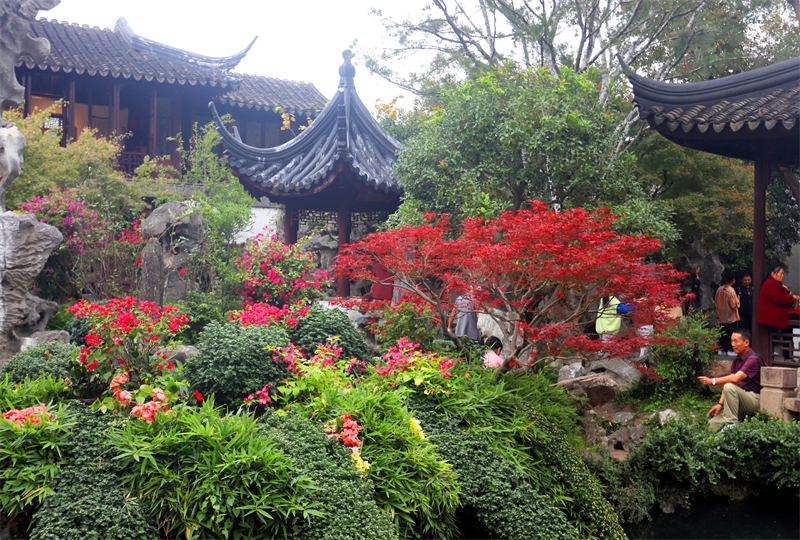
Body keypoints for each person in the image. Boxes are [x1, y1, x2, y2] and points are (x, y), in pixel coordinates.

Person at [698, 329, 763, 432]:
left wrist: (713, 381)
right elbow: (731, 381)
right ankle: (724, 430)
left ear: (746, 342)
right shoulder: (737, 358)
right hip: (739, 399)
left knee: (729, 387)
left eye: (736, 341)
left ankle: (731, 424)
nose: (733, 344)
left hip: (755, 399)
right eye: (731, 341)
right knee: (712, 425)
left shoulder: (754, 359)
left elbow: (735, 378)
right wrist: (720, 404)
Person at [757, 265, 800, 329]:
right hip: (773, 314)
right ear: (773, 273)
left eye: (783, 274)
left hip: (777, 313)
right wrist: (792, 297)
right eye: (781, 273)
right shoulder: (770, 284)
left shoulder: (775, 283)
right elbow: (779, 299)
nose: (783, 276)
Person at [714, 271, 740, 355]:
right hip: (730, 317)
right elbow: (734, 305)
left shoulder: (719, 289)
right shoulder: (731, 291)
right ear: (733, 280)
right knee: (730, 335)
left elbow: (716, 301)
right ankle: (730, 350)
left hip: (721, 316)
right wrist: (738, 299)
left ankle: (721, 350)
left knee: (722, 334)